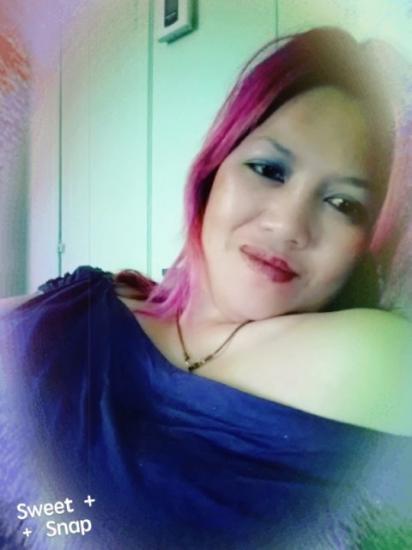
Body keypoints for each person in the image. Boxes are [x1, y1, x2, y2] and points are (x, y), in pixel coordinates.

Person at [1, 26, 412, 549]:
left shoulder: (364, 354)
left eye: (343, 204)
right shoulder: (84, 298)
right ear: (212, 174)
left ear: (363, 244)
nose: (288, 225)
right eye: (268, 169)